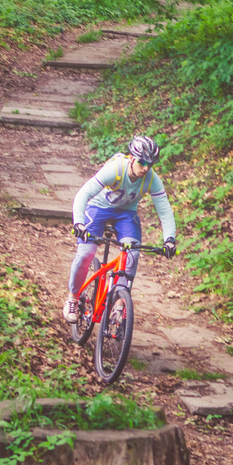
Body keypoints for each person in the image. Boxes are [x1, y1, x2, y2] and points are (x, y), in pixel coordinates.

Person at [63, 135, 177, 324]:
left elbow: (164, 209)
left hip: (126, 213)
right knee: (86, 253)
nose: (146, 168)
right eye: (142, 162)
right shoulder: (115, 169)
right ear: (132, 157)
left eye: (150, 163)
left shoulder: (151, 179)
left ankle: (119, 303)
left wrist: (169, 239)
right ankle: (72, 299)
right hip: (98, 209)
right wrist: (79, 223)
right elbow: (84, 193)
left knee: (132, 253)